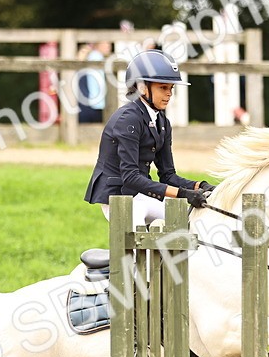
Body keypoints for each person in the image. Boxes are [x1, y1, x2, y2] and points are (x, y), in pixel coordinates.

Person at [82, 50, 214, 227]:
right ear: (142, 87)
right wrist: (183, 193)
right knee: (138, 242)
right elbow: (130, 177)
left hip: (140, 194)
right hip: (118, 196)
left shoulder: (162, 122)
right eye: (163, 87)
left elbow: (168, 175)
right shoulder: (128, 119)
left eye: (171, 88)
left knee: (188, 221)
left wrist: (200, 186)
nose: (169, 94)